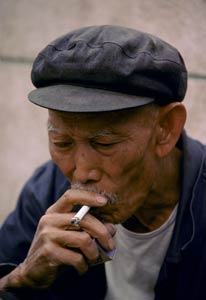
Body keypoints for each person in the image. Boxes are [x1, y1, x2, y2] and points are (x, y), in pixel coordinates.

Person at [0, 25, 205, 300]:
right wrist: (22, 277)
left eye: (104, 143)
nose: (82, 173)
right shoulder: (48, 190)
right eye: (62, 143)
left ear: (166, 128)